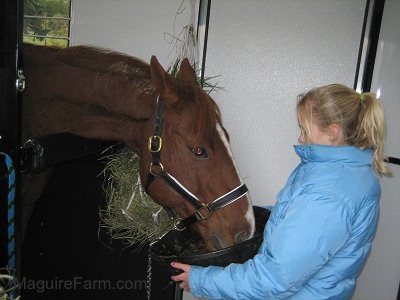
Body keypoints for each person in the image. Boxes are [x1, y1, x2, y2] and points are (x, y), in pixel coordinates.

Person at [170, 83, 392, 299]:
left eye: (304, 130)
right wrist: (252, 213)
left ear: (333, 133)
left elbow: (274, 279)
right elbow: (300, 217)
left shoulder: (329, 194)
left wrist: (201, 280)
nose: (300, 138)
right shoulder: (338, 173)